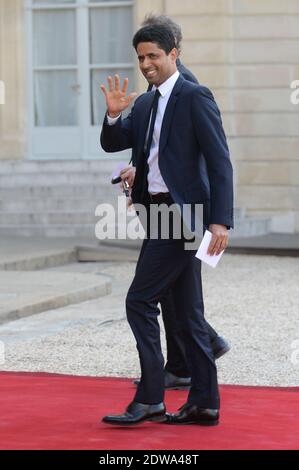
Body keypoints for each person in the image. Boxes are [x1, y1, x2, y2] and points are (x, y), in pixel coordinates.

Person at [100, 24, 234, 426]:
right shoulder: (143, 105)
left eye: (153, 56)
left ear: (174, 54)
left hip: (182, 219)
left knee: (139, 301)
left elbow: (219, 161)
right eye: (141, 57)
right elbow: (113, 143)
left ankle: (151, 398)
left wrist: (221, 221)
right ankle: (205, 402)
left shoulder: (195, 97)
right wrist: (112, 114)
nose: (146, 64)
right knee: (188, 313)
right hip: (155, 214)